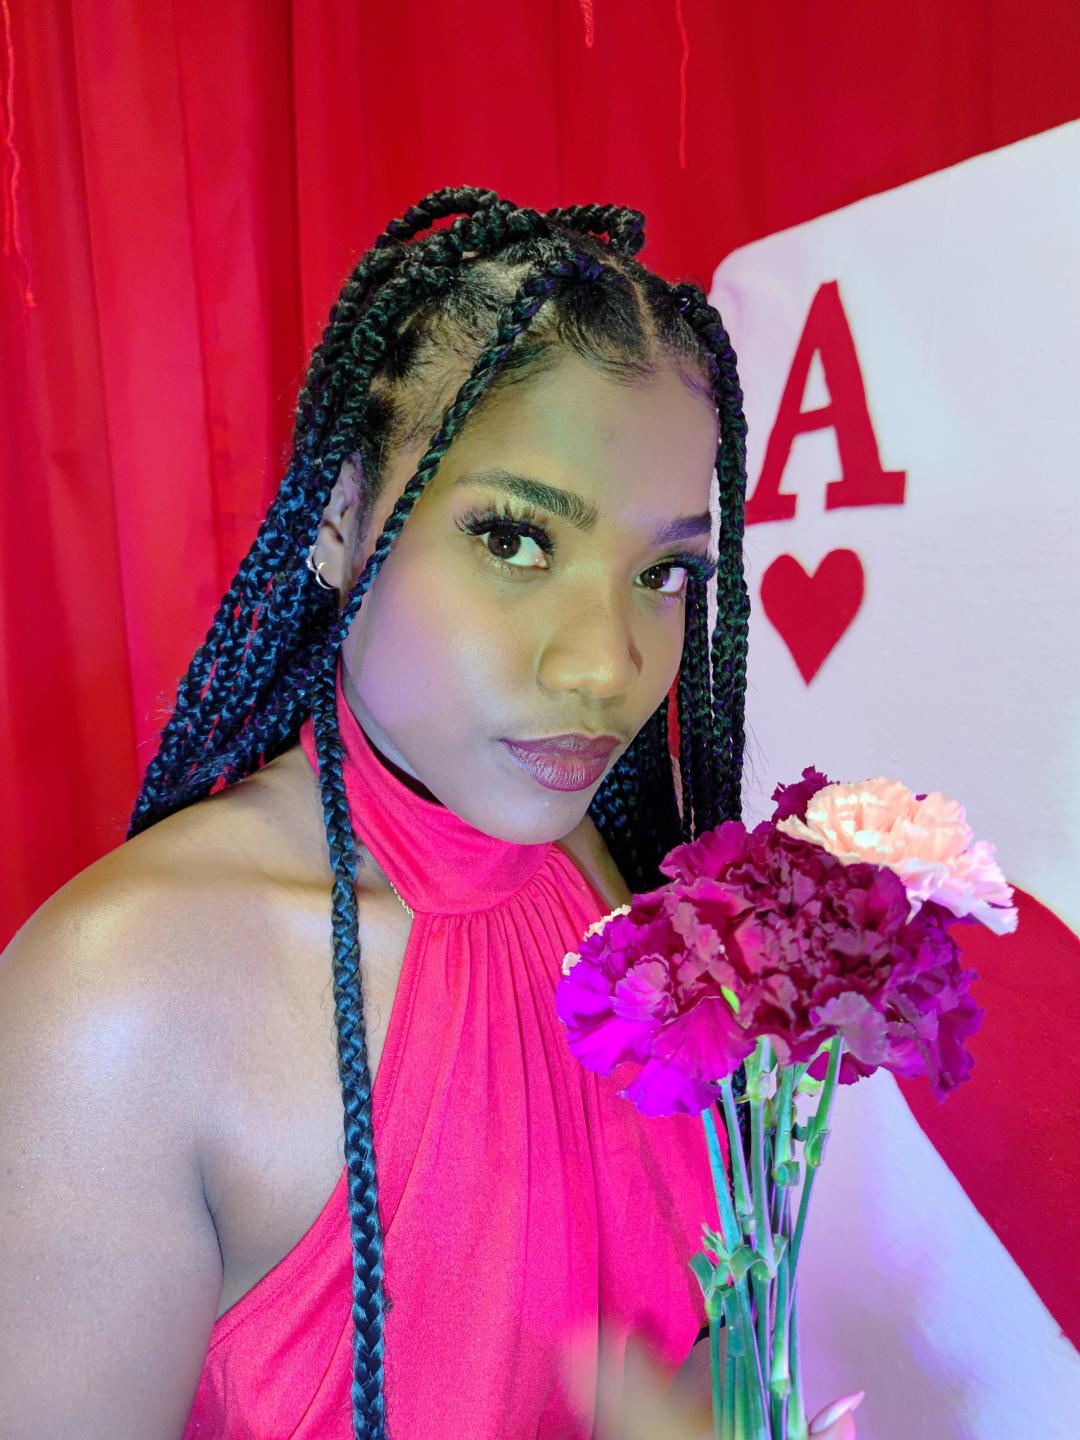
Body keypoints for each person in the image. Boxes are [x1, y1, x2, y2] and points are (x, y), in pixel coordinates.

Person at [0, 187, 862, 1439]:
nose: (606, 664)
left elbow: (686, 1365)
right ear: (342, 516)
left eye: (664, 572)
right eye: (514, 538)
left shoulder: (599, 889)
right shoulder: (123, 998)